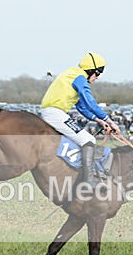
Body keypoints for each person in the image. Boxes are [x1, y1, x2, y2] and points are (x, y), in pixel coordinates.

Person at [40, 52, 120, 186]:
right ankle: (88, 180)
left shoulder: (72, 74)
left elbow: (82, 107)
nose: (97, 78)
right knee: (89, 139)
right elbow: (90, 102)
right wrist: (109, 121)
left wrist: (99, 120)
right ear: (90, 70)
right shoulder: (80, 77)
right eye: (97, 73)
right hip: (55, 113)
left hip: (53, 112)